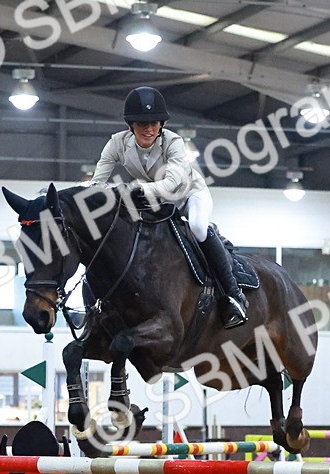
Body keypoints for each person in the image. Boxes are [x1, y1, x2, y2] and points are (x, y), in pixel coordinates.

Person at [89, 86, 248, 328]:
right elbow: (97, 182)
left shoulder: (173, 142)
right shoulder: (117, 144)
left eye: (154, 122)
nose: (149, 128)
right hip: (153, 201)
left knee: (197, 228)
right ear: (131, 124)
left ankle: (233, 295)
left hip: (189, 195)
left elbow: (172, 183)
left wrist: (134, 190)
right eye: (142, 123)